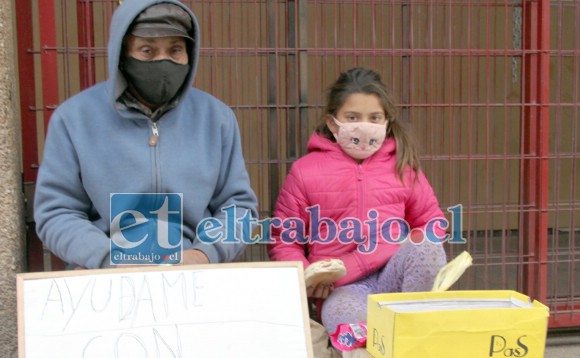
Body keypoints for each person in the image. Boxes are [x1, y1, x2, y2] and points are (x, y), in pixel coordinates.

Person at [34, 0, 258, 269]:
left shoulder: (217, 118)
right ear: (122, 55)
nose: (162, 62)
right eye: (147, 51)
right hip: (103, 280)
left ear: (190, 54)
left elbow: (238, 208)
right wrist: (110, 258)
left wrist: (204, 254)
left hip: (193, 278)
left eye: (175, 50)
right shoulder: (74, 119)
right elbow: (56, 212)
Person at [268, 67, 448, 338]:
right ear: (333, 122)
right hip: (342, 289)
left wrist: (382, 253)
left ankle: (415, 332)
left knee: (428, 248)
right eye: (352, 117)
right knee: (358, 328)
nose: (364, 126)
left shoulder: (403, 166)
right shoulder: (306, 171)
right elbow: (285, 240)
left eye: (374, 118)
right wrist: (308, 278)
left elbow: (431, 224)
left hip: (393, 276)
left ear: (386, 122)